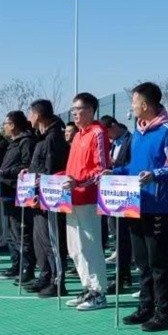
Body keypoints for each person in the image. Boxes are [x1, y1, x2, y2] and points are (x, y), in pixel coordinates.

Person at [107, 82, 168, 331]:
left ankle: (164, 312)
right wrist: (114, 172)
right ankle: (146, 306)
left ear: (144, 104)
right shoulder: (138, 132)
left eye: (133, 102)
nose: (131, 106)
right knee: (142, 260)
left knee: (159, 262)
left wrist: (155, 175)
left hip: (159, 207)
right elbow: (134, 168)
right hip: (136, 205)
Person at [62, 92, 111, 311]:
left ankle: (99, 292)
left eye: (78, 109)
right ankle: (87, 287)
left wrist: (79, 182)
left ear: (90, 110)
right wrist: (54, 179)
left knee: (90, 246)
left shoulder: (98, 133)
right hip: (71, 199)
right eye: (73, 109)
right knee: (75, 248)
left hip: (88, 199)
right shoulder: (77, 136)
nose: (74, 113)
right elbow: (71, 171)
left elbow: (101, 170)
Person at [25, 100, 70, 298]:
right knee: (41, 240)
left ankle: (58, 282)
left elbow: (52, 172)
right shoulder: (44, 137)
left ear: (38, 115)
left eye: (31, 114)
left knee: (53, 242)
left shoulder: (53, 138)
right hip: (39, 198)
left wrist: (41, 194)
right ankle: (45, 276)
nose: (29, 118)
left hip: (50, 200)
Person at [0, 111, 36, 280]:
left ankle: (27, 267)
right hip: (6, 191)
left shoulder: (26, 142)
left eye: (5, 123)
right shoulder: (13, 143)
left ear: (12, 125)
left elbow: (26, 165)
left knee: (21, 231)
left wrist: (5, 172)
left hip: (18, 192)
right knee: (12, 233)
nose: (4, 127)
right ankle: (16, 264)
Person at [100, 115, 135, 293]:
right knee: (118, 235)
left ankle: (124, 276)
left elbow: (133, 165)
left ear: (114, 126)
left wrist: (116, 169)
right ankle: (123, 275)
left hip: (127, 194)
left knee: (125, 237)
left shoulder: (131, 140)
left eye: (108, 133)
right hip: (113, 194)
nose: (108, 137)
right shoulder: (113, 144)